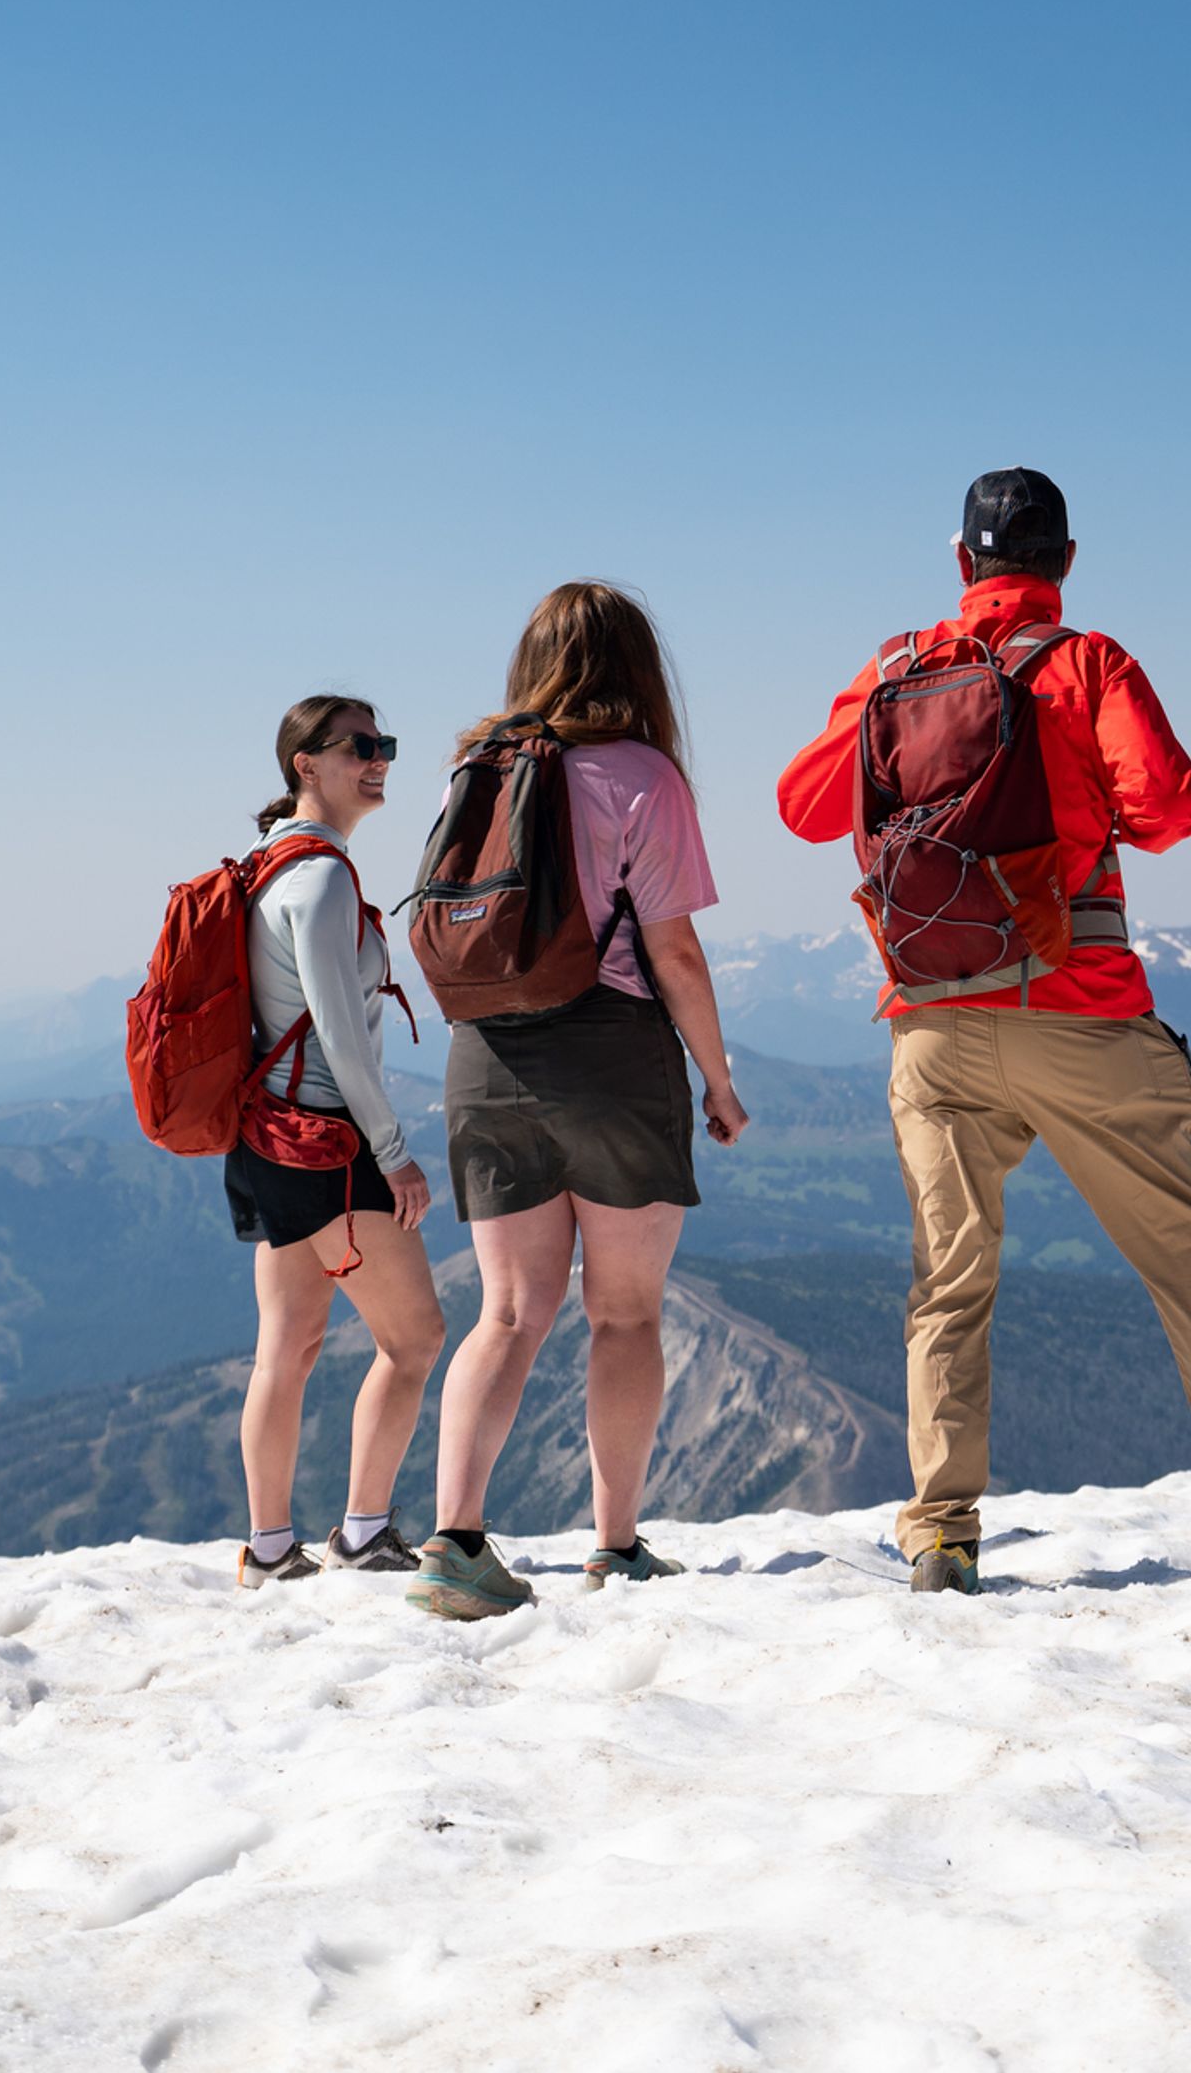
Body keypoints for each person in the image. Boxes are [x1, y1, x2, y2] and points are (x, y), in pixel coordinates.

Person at [777, 471, 1191, 1592]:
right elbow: (1170, 811)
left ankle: (941, 1530)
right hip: (1079, 1005)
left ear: (961, 562)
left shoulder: (896, 670)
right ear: (1066, 563)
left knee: (949, 1281)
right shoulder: (1088, 664)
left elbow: (804, 807)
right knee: (1188, 1259)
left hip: (933, 1019)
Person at [406, 584, 748, 1621]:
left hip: (485, 1057)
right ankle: (615, 1545)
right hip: (611, 1051)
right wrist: (718, 1079)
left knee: (505, 1312)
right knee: (625, 1312)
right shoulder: (641, 775)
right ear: (635, 669)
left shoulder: (481, 767)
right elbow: (674, 949)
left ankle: (454, 1541)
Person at [229, 695, 445, 1584]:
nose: (380, 758)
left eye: (385, 744)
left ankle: (271, 1548)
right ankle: (360, 1531)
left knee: (288, 1346)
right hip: (330, 1146)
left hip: (268, 1137)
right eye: (361, 745)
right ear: (303, 763)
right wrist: (392, 1148)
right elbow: (341, 1035)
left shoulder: (264, 864)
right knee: (418, 1338)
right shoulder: (318, 878)